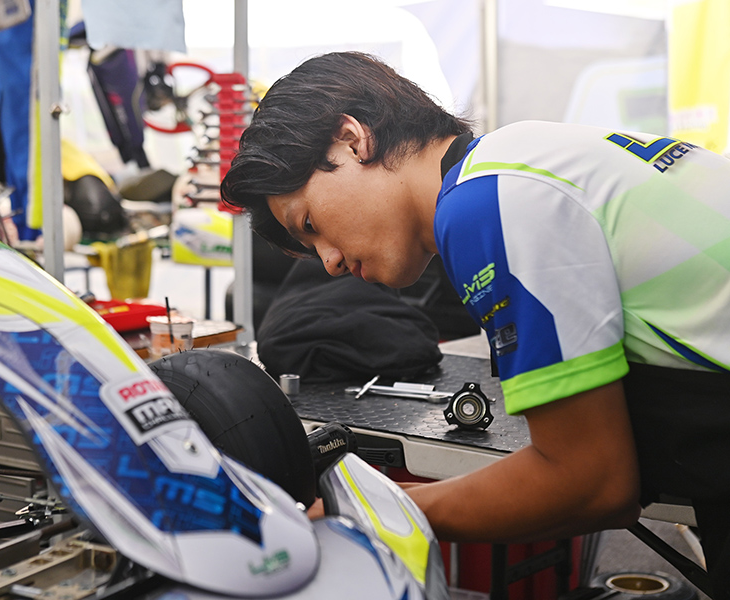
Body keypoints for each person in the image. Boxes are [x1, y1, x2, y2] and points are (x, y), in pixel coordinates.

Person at [220, 51, 730, 598]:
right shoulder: (521, 157)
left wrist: (362, 516)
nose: (329, 263)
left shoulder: (486, 202)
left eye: (312, 224)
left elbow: (592, 481)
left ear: (351, 139)